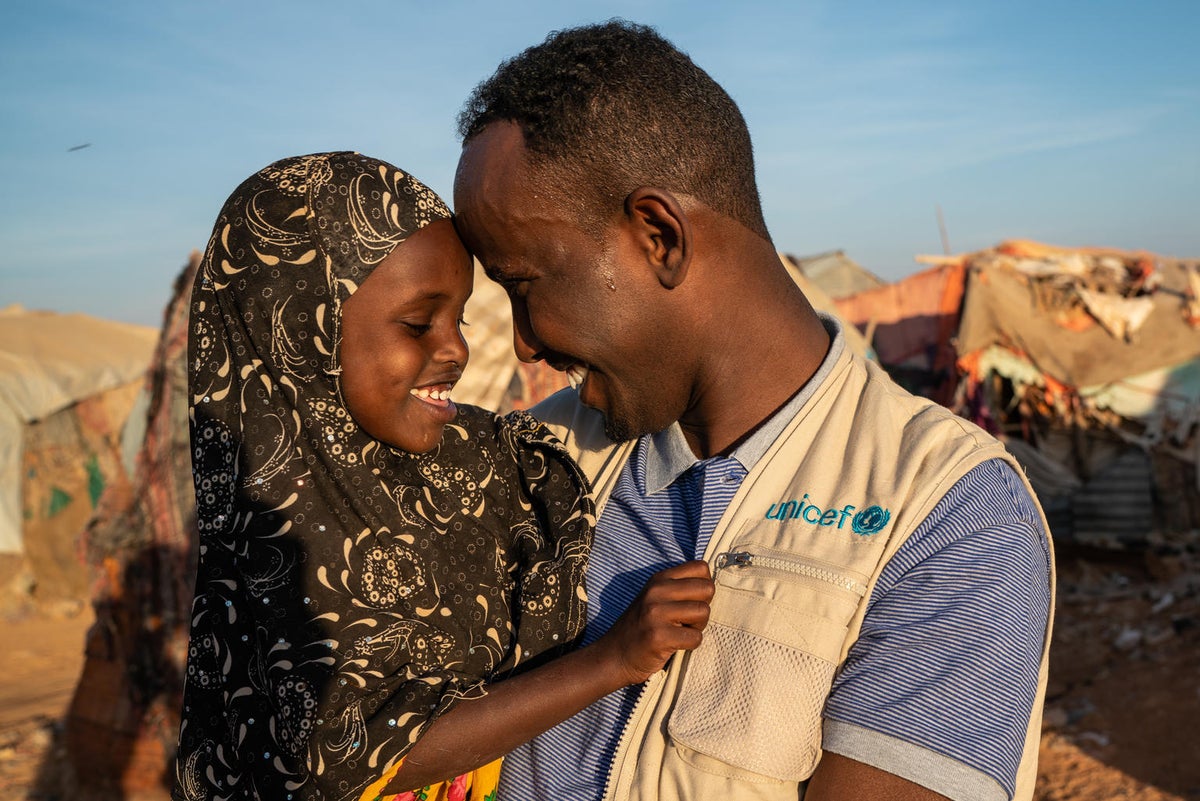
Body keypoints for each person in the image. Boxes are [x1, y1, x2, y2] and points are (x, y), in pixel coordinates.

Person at [452, 20, 1055, 801]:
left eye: (525, 285)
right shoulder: (531, 457)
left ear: (659, 235)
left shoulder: (948, 513)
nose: (524, 346)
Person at [174, 152, 714, 801]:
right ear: (298, 328)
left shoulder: (462, 459)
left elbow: (576, 432)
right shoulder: (280, 526)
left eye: (457, 317)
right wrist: (612, 660)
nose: (456, 347)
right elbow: (361, 753)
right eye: (417, 323)